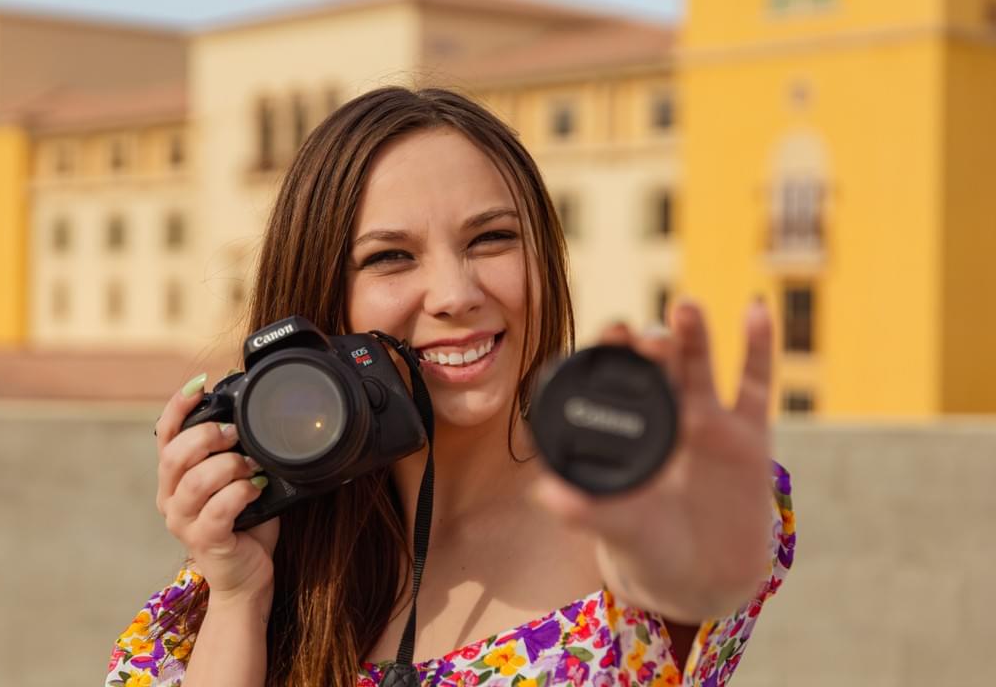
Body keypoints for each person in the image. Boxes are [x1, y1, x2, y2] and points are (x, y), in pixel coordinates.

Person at [106, 87, 796, 687]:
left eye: (492, 239)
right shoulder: (256, 568)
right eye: (391, 257)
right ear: (318, 309)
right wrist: (238, 597)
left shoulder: (644, 514)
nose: (456, 294)